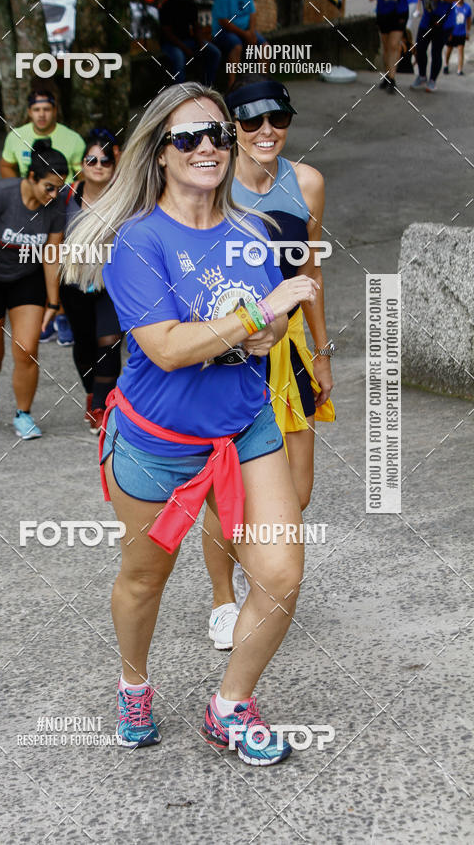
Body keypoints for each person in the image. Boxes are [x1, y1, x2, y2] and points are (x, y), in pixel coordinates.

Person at [62, 82, 319, 765]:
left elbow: (262, 321)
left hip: (245, 427)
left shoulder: (252, 232)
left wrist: (267, 330)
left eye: (217, 135)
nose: (207, 147)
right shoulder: (137, 242)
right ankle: (134, 682)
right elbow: (169, 347)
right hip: (157, 444)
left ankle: (229, 707)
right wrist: (255, 321)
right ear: (161, 155)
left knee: (282, 572)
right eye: (188, 138)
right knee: (145, 579)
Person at [201, 76, 335, 649]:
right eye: (251, 122)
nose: (265, 131)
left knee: (296, 491)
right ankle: (223, 599)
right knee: (228, 485)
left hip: (293, 350)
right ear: (233, 127)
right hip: (231, 351)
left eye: (276, 120)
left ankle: (265, 579)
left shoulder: (307, 182)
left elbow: (310, 274)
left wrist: (323, 352)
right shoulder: (211, 183)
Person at [0, 140, 67, 439]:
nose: (55, 195)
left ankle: (23, 414)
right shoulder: (1, 195)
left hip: (26, 277)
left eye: (59, 188)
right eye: (49, 187)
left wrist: (53, 300)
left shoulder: (55, 205)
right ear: (32, 178)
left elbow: (51, 253)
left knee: (27, 350)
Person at [0, 89, 81, 347]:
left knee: (59, 258)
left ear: (55, 110)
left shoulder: (73, 140)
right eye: (36, 109)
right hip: (32, 205)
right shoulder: (16, 137)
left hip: (62, 205)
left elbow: (83, 174)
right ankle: (42, 314)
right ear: (29, 112)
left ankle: (62, 313)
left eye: (47, 109)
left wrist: (70, 197)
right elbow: (5, 164)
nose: (42, 114)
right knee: (32, 260)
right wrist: (18, 194)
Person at [59, 129, 122, 434]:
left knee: (109, 342)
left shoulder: (126, 197)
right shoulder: (67, 195)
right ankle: (91, 393)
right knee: (84, 345)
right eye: (92, 159)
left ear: (115, 163)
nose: (99, 165)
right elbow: (50, 241)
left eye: (106, 160)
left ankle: (102, 404)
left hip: (111, 284)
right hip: (73, 283)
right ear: (82, 163)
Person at [411, 0, 460, 92]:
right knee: (420, 48)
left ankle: (432, 80)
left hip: (443, 21)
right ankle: (421, 76)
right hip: (427, 18)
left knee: (436, 51)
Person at [370, 0, 417, 93]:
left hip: (399, 13)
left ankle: (392, 78)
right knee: (386, 46)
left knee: (394, 45)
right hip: (384, 13)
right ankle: (388, 75)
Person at [211, 0, 265, 89]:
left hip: (245, 30)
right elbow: (224, 22)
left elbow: (252, 14)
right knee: (236, 46)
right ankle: (232, 82)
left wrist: (251, 31)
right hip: (225, 31)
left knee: (264, 46)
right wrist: (244, 34)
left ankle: (263, 79)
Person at [159, 0, 220, 85]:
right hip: (170, 44)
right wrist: (185, 49)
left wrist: (201, 44)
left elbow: (196, 27)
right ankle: (179, 93)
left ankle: (207, 86)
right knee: (179, 58)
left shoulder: (189, 5)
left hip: (189, 40)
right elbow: (168, 34)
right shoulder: (166, 7)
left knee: (214, 53)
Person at [443, 0, 471, 73]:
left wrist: (467, 32)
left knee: (461, 50)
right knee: (449, 50)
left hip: (461, 33)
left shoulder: (467, 8)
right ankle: (446, 65)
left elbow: (468, 20)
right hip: (452, 32)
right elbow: (447, 19)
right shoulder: (452, 6)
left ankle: (459, 69)